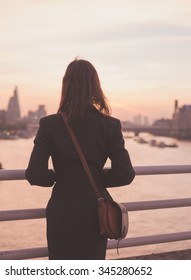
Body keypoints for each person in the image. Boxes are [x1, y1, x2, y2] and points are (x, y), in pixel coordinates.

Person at [25, 58, 135, 260]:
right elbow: (125, 174)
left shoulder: (50, 125)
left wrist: (58, 177)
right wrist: (99, 177)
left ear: (66, 86)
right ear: (95, 86)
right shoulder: (110, 126)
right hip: (95, 212)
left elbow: (34, 174)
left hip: (63, 209)